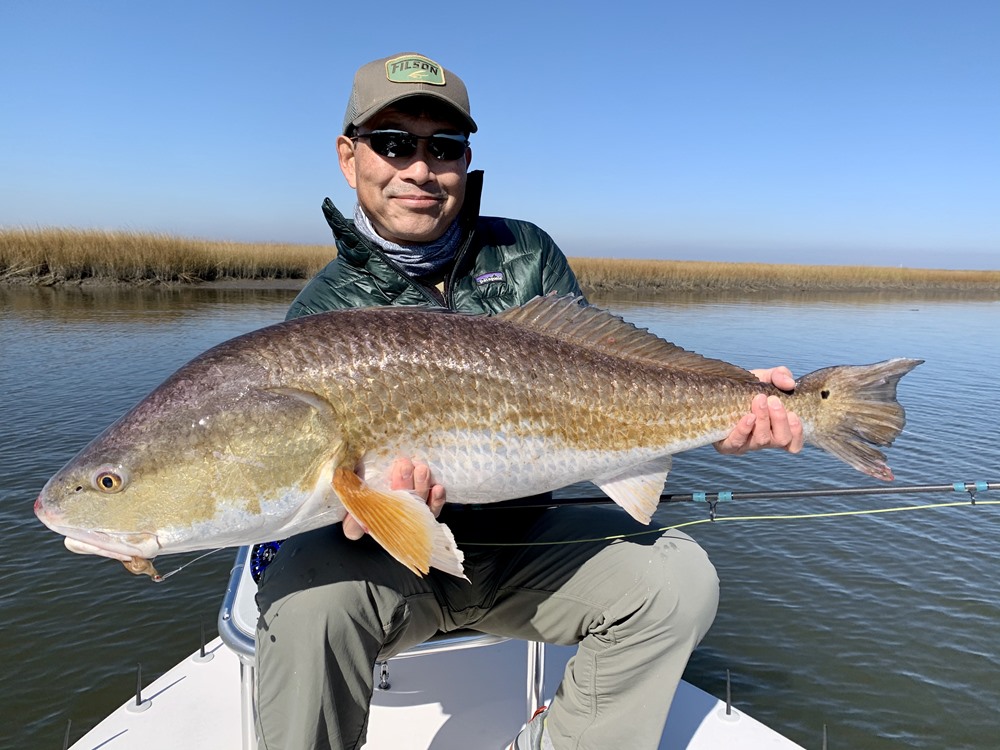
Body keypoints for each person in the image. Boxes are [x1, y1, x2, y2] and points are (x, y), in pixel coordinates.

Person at [254, 52, 803, 750]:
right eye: (393, 144)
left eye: (442, 147)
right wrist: (360, 517)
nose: (419, 169)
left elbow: (611, 382)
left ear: (464, 158)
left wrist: (727, 403)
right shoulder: (318, 317)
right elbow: (292, 502)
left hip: (523, 552)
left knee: (679, 581)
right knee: (303, 607)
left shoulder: (526, 252)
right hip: (393, 571)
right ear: (348, 154)